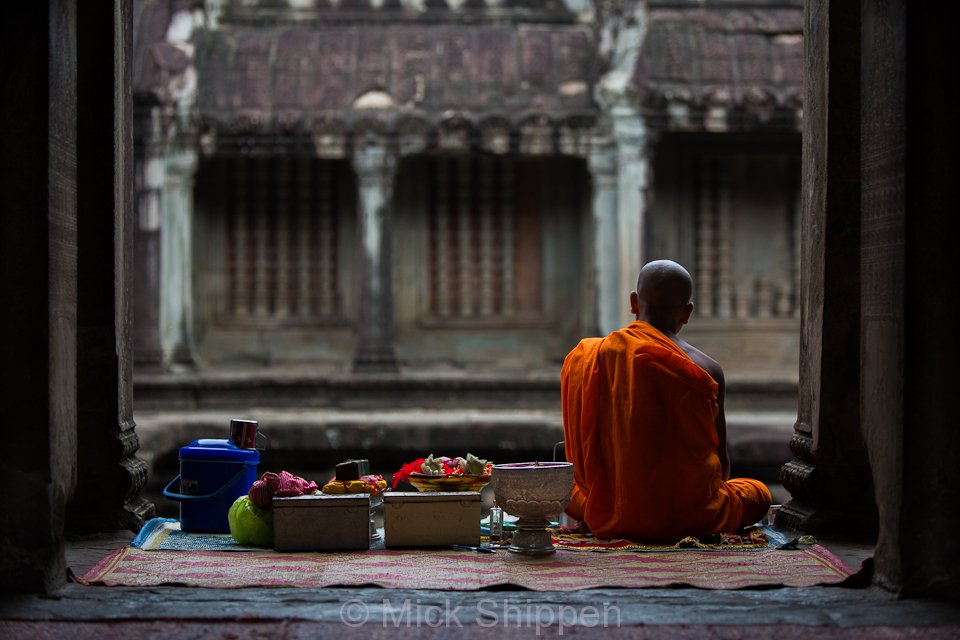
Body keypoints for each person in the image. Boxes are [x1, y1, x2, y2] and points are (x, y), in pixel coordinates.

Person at [561, 259, 772, 541]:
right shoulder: (706, 369)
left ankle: (605, 516)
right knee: (758, 494)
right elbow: (721, 465)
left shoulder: (589, 356)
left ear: (634, 302)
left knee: (564, 491)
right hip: (690, 516)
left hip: (604, 510)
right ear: (687, 312)